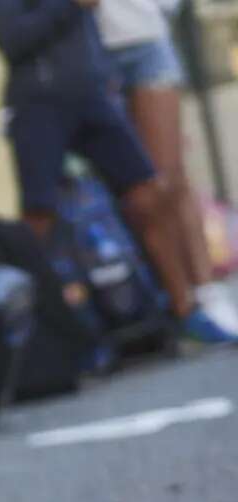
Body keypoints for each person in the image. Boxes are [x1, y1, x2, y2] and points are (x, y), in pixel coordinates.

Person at [0, 0, 238, 348]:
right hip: (39, 102)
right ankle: (32, 335)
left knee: (148, 194)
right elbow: (13, 38)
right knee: (39, 215)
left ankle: (185, 310)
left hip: (91, 92)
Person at [99, 0, 238, 328]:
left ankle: (209, 293)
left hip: (146, 40)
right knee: (140, 192)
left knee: (170, 177)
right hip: (91, 54)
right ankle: (179, 305)